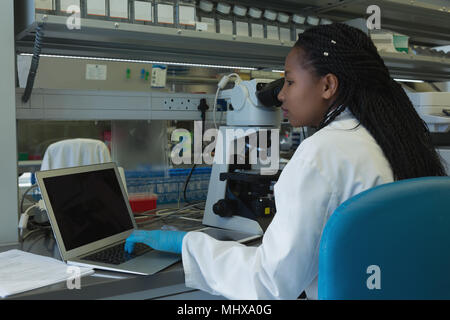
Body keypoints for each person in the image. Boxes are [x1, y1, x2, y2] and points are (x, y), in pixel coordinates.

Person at [124, 23, 446, 299]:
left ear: (327, 85)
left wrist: (189, 245)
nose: (280, 96)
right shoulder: (394, 140)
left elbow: (269, 284)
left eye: (290, 82)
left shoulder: (321, 152)